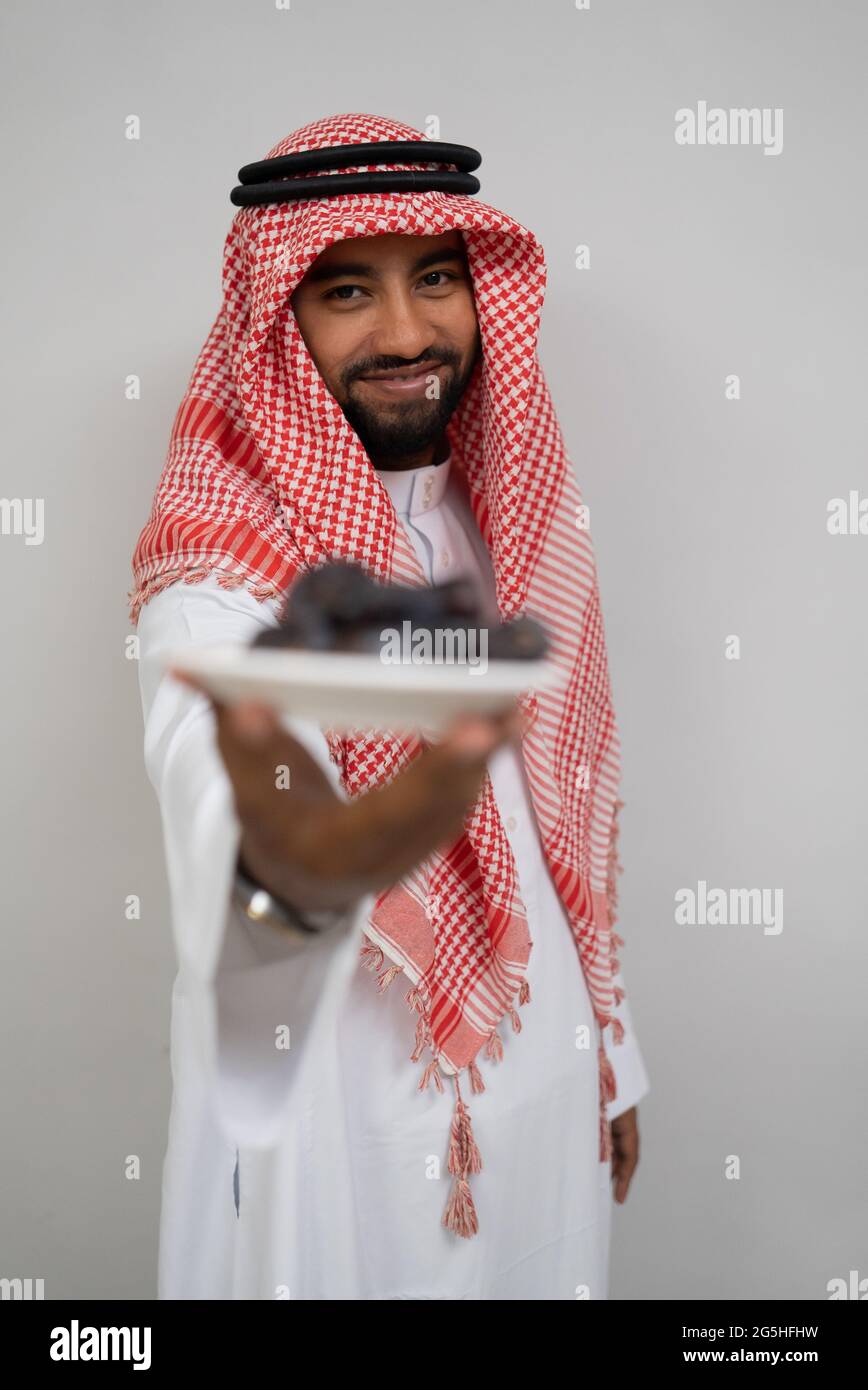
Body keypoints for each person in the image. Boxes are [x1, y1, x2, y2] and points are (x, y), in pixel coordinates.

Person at [130, 112, 650, 1300]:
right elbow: (240, 796)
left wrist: (612, 1053)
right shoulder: (217, 574)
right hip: (333, 1100)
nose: (408, 332)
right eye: (347, 292)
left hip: (545, 1065)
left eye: (436, 279)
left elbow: (564, 810)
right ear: (277, 325)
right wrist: (318, 827)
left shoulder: (501, 519)